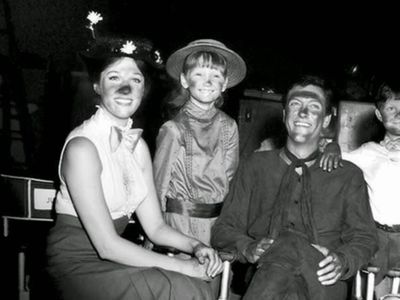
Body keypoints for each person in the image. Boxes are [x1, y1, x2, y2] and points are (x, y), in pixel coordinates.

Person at [46, 35, 224, 300]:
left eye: (136, 80)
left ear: (144, 90)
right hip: (77, 262)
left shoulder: (137, 147)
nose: (126, 88)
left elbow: (154, 227)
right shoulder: (82, 147)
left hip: (116, 255)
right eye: (114, 77)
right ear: (97, 85)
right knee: (183, 287)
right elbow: (107, 246)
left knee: (202, 283)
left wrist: (196, 246)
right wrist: (184, 267)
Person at [211, 75, 378, 299]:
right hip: (262, 272)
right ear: (284, 115)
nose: (303, 113)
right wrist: (248, 247)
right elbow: (224, 229)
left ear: (327, 120)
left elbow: (365, 238)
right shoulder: (255, 166)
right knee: (286, 250)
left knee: (289, 243)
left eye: (314, 107)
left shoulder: (348, 176)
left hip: (322, 279)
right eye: (295, 105)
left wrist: (343, 260)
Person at [152, 39, 246, 247]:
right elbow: (158, 183)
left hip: (217, 224)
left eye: (216, 76)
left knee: (215, 277)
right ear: (185, 80)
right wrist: (156, 231)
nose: (208, 82)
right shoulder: (173, 129)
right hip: (179, 224)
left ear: (224, 83)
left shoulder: (229, 126)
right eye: (199, 74)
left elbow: (231, 175)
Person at [342, 81, 400, 299]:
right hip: (378, 237)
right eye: (391, 108)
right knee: (369, 291)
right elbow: (337, 161)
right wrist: (330, 147)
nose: (399, 114)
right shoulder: (369, 152)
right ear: (378, 114)